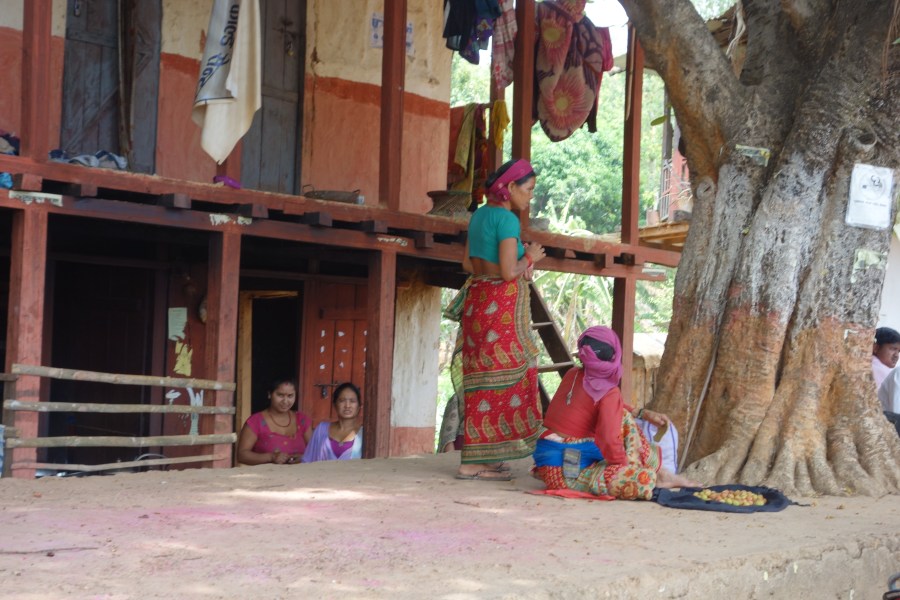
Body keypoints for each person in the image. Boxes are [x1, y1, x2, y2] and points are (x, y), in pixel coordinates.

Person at [444, 158, 547, 481]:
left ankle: (481, 458)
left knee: (483, 379)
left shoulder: (478, 217)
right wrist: (530, 256)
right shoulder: (506, 220)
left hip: (478, 302)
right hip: (498, 310)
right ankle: (473, 463)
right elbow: (507, 273)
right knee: (508, 375)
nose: (529, 197)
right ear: (510, 188)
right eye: (527, 190)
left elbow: (467, 264)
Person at [533, 326, 700, 499]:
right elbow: (609, 439)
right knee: (640, 479)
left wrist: (641, 413)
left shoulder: (572, 374)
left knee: (624, 417)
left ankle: (660, 473)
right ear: (614, 355)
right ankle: (658, 475)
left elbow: (605, 405)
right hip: (567, 476)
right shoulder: (609, 393)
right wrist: (623, 466)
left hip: (547, 467)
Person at [237, 378, 311, 465]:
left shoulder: (302, 420)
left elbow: (315, 452)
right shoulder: (255, 422)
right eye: (280, 395)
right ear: (269, 394)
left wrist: (303, 457)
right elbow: (242, 455)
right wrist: (271, 457)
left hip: (301, 477)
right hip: (266, 477)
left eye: (290, 396)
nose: (285, 401)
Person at [302, 382, 364, 462]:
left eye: (352, 401)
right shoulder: (321, 429)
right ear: (335, 405)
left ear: (359, 406)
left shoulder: (363, 435)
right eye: (342, 401)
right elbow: (307, 460)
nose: (347, 405)